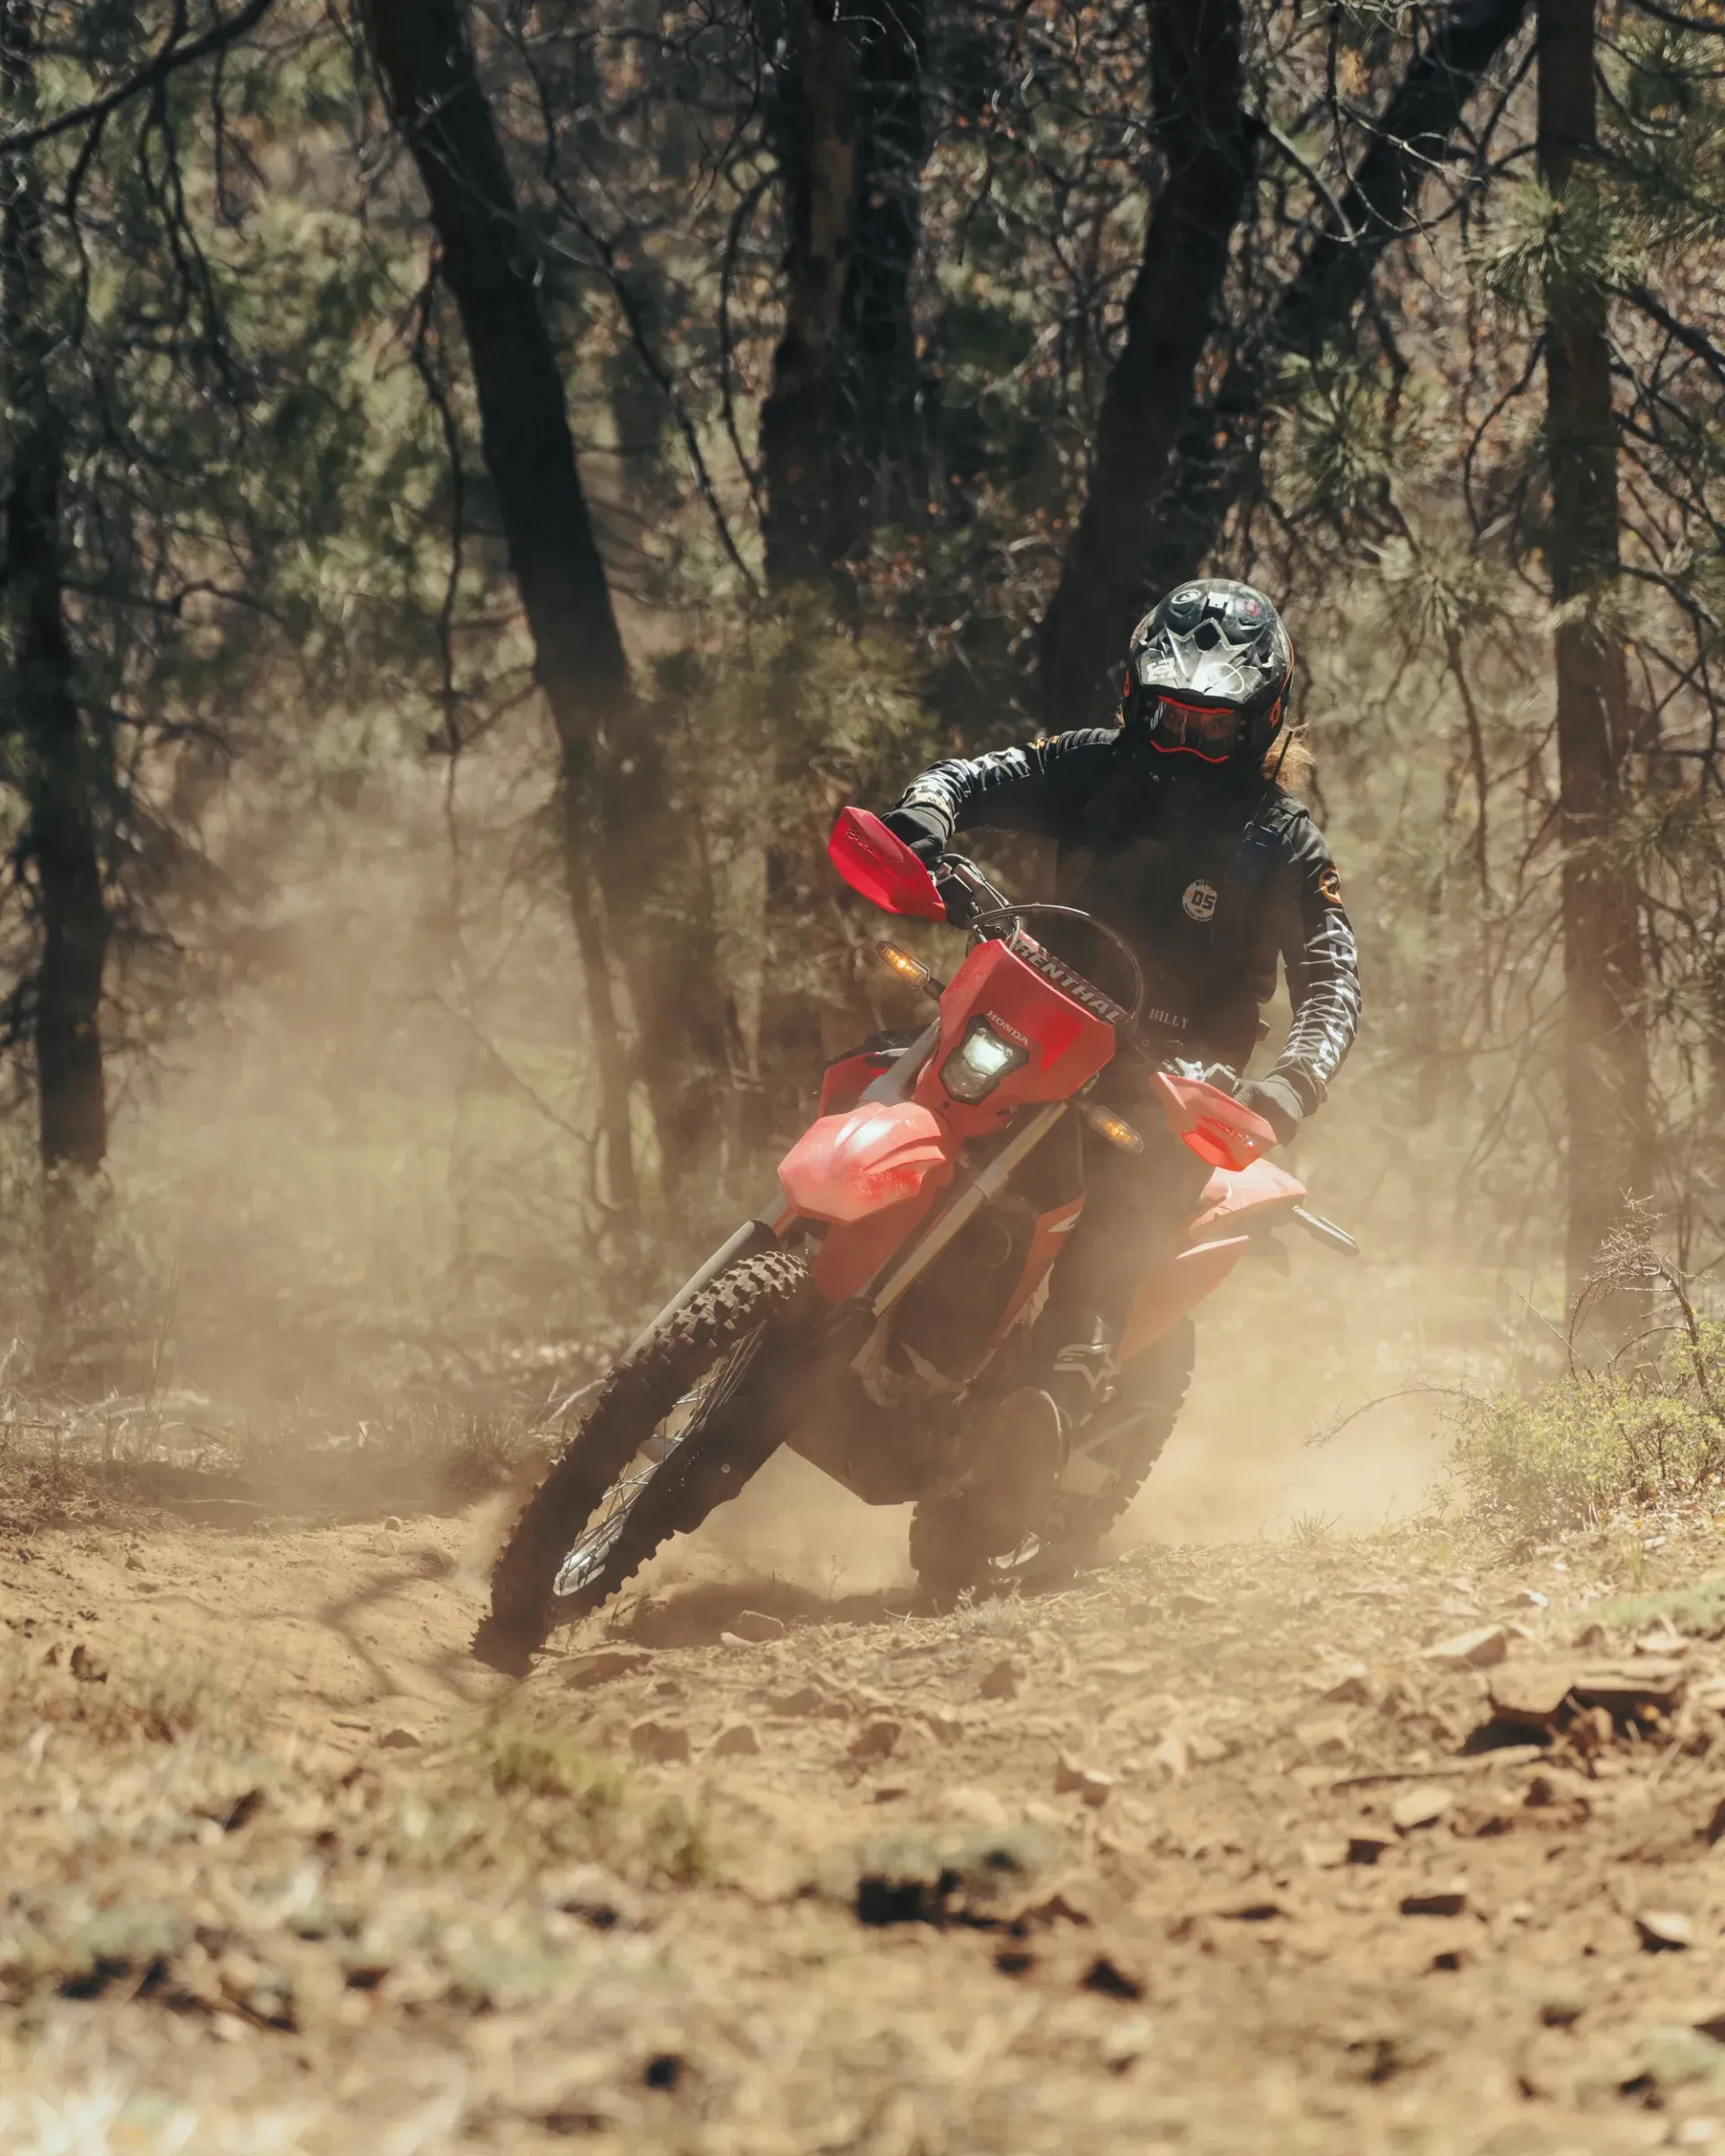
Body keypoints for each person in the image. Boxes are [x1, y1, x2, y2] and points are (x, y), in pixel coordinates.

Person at [879, 579, 1361, 1534]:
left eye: (1211, 730)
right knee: (893, 1062)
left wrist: (1289, 1086)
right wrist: (927, 812)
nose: (1185, 748)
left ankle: (1041, 1420)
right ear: (1136, 701)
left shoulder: (1284, 843)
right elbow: (974, 776)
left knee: (1115, 1238)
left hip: (1176, 1084)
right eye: (1168, 719)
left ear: (1261, 726)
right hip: (1035, 1017)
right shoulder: (1091, 767)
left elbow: (1334, 980)